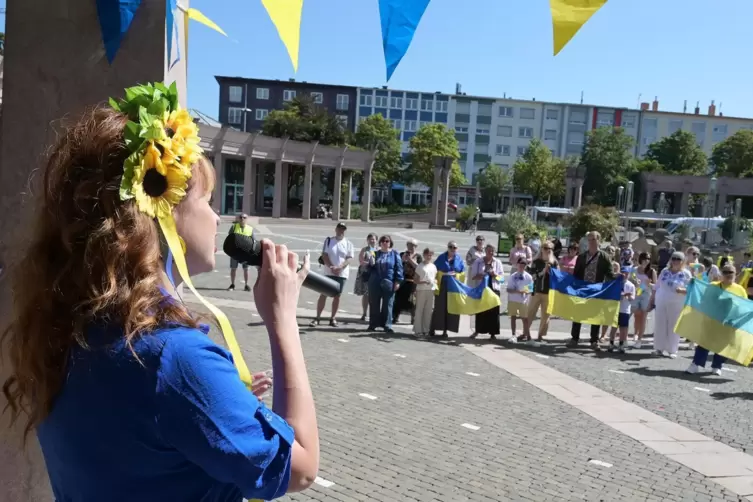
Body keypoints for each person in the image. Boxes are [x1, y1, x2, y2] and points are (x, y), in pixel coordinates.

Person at [1, 92, 319, 501]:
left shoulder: (70, 327)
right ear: (161, 210)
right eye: (206, 200)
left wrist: (219, 399)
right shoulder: (172, 356)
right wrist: (283, 322)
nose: (217, 217)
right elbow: (301, 469)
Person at [686, 264, 746, 375]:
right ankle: (695, 364)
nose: (728, 275)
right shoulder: (713, 286)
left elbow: (744, 306)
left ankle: (717, 366)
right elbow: (704, 300)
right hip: (711, 321)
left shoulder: (740, 290)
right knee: (704, 343)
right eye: (725, 272)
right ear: (721, 274)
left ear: (735, 274)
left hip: (728, 324)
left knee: (722, 345)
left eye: (730, 272)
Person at [568, 231, 615, 350]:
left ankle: (594, 340)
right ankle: (574, 338)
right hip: (583, 289)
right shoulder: (582, 257)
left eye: (593, 240)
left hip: (597, 290)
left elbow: (609, 273)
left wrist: (618, 277)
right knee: (578, 313)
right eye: (589, 240)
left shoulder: (604, 257)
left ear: (599, 241)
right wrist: (575, 288)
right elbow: (577, 273)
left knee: (596, 315)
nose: (591, 242)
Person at [310, 222, 354, 328]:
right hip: (328, 272)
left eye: (343, 229)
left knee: (337, 296)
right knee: (323, 293)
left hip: (342, 273)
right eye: (339, 228)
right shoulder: (329, 241)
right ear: (336, 229)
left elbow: (349, 258)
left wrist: (340, 267)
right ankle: (317, 317)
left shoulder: (348, 243)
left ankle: (333, 318)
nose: (341, 231)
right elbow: (324, 255)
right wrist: (331, 267)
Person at [650, 251, 692, 358]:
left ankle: (672, 350)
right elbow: (657, 285)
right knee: (660, 324)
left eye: (679, 259)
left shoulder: (686, 274)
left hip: (677, 302)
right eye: (674, 259)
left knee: (673, 325)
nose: (676, 261)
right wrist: (651, 300)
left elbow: (691, 289)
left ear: (683, 261)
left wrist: (682, 290)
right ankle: (659, 348)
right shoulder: (664, 271)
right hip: (661, 300)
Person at [367, 235, 403, 333]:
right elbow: (369, 268)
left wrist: (398, 281)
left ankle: (387, 325)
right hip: (375, 281)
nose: (385, 243)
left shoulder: (395, 254)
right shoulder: (375, 253)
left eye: (387, 241)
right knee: (374, 303)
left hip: (389, 281)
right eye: (382, 241)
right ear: (380, 243)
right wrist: (370, 262)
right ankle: (373, 324)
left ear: (390, 243)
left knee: (388, 304)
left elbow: (399, 268)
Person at [431, 241, 466, 338]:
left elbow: (463, 273)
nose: (452, 249)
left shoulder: (459, 259)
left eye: (454, 247)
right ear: (447, 247)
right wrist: (443, 274)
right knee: (439, 307)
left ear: (457, 249)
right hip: (442, 285)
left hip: (453, 287)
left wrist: (457, 275)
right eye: (450, 247)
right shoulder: (441, 257)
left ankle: (445, 330)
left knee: (451, 308)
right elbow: (434, 269)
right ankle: (433, 328)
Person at [524, 242, 558, 341]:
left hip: (548, 292)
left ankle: (540, 335)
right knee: (530, 312)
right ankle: (525, 332)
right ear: (542, 249)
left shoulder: (554, 262)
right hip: (536, 291)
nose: (548, 250)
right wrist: (543, 272)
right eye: (546, 248)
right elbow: (532, 276)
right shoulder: (536, 261)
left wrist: (551, 272)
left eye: (551, 248)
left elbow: (558, 277)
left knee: (546, 315)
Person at [469, 244, 504, 339]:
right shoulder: (478, 261)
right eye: (489, 250)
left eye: (492, 251)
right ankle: (477, 331)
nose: (490, 253)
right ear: (485, 251)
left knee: (494, 311)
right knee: (480, 310)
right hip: (482, 288)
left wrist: (495, 275)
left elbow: (502, 279)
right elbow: (473, 276)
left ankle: (493, 333)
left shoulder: (498, 262)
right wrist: (481, 275)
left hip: (494, 289)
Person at [607, 267, 636, 353]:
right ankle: (611, 343)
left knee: (623, 328)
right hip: (616, 309)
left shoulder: (631, 285)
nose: (625, 275)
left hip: (625, 309)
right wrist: (621, 295)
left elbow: (632, 298)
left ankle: (621, 344)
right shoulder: (615, 283)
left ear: (629, 274)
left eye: (626, 273)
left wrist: (628, 296)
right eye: (623, 273)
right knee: (614, 327)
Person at [631, 252, 656, 350]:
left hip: (646, 295)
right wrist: (634, 283)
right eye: (645, 258)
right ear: (640, 259)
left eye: (648, 259)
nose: (646, 261)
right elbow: (630, 280)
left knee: (644, 317)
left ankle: (639, 339)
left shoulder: (651, 271)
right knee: (636, 314)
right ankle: (635, 333)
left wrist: (649, 284)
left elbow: (656, 285)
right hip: (636, 294)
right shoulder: (634, 270)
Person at [393, 239, 421, 324]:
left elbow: (419, 267)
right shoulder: (402, 254)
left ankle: (413, 318)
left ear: (416, 247)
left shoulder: (418, 256)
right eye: (409, 245)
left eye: (413, 245)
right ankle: (395, 317)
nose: (411, 247)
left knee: (412, 300)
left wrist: (410, 260)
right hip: (402, 280)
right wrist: (402, 260)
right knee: (398, 299)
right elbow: (397, 265)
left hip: (412, 281)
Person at [507, 258, 533, 342]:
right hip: (513, 299)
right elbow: (508, 289)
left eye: (523, 264)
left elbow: (530, 289)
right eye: (520, 264)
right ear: (517, 265)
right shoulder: (513, 276)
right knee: (513, 317)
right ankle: (513, 335)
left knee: (525, 319)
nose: (521, 266)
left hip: (523, 300)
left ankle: (528, 336)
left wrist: (525, 291)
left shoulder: (528, 277)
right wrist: (518, 291)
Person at [413, 248, 437, 337]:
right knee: (419, 310)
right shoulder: (420, 266)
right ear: (424, 255)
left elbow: (434, 278)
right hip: (421, 290)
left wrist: (435, 282)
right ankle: (418, 330)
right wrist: (423, 282)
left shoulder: (433, 266)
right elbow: (415, 280)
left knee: (428, 311)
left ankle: (426, 330)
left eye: (430, 255)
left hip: (431, 290)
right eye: (427, 255)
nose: (429, 256)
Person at [353, 233, 377, 321]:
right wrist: (370, 264)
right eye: (370, 239)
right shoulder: (364, 249)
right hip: (366, 273)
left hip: (375, 274)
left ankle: (373, 314)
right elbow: (361, 260)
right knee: (366, 294)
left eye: (374, 239)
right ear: (367, 240)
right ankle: (364, 313)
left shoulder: (378, 250)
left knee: (374, 295)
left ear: (376, 240)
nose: (372, 241)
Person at [227, 213, 253, 291]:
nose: (242, 219)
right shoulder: (234, 227)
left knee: (246, 269)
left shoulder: (250, 229)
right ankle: (232, 284)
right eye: (241, 217)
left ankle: (246, 285)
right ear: (238, 219)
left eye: (244, 217)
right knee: (233, 268)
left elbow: (253, 241)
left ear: (246, 219)